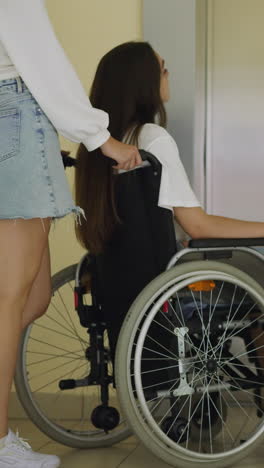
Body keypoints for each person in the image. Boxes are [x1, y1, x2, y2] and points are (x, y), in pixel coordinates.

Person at [0, 1, 141, 466]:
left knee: (33, 297)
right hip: (13, 112)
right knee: (10, 296)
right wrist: (102, 139)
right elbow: (41, 58)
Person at [75, 41, 264, 377]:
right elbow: (198, 227)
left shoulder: (99, 145)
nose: (168, 74)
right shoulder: (152, 137)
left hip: (123, 283)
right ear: (143, 81)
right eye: (162, 68)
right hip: (167, 282)